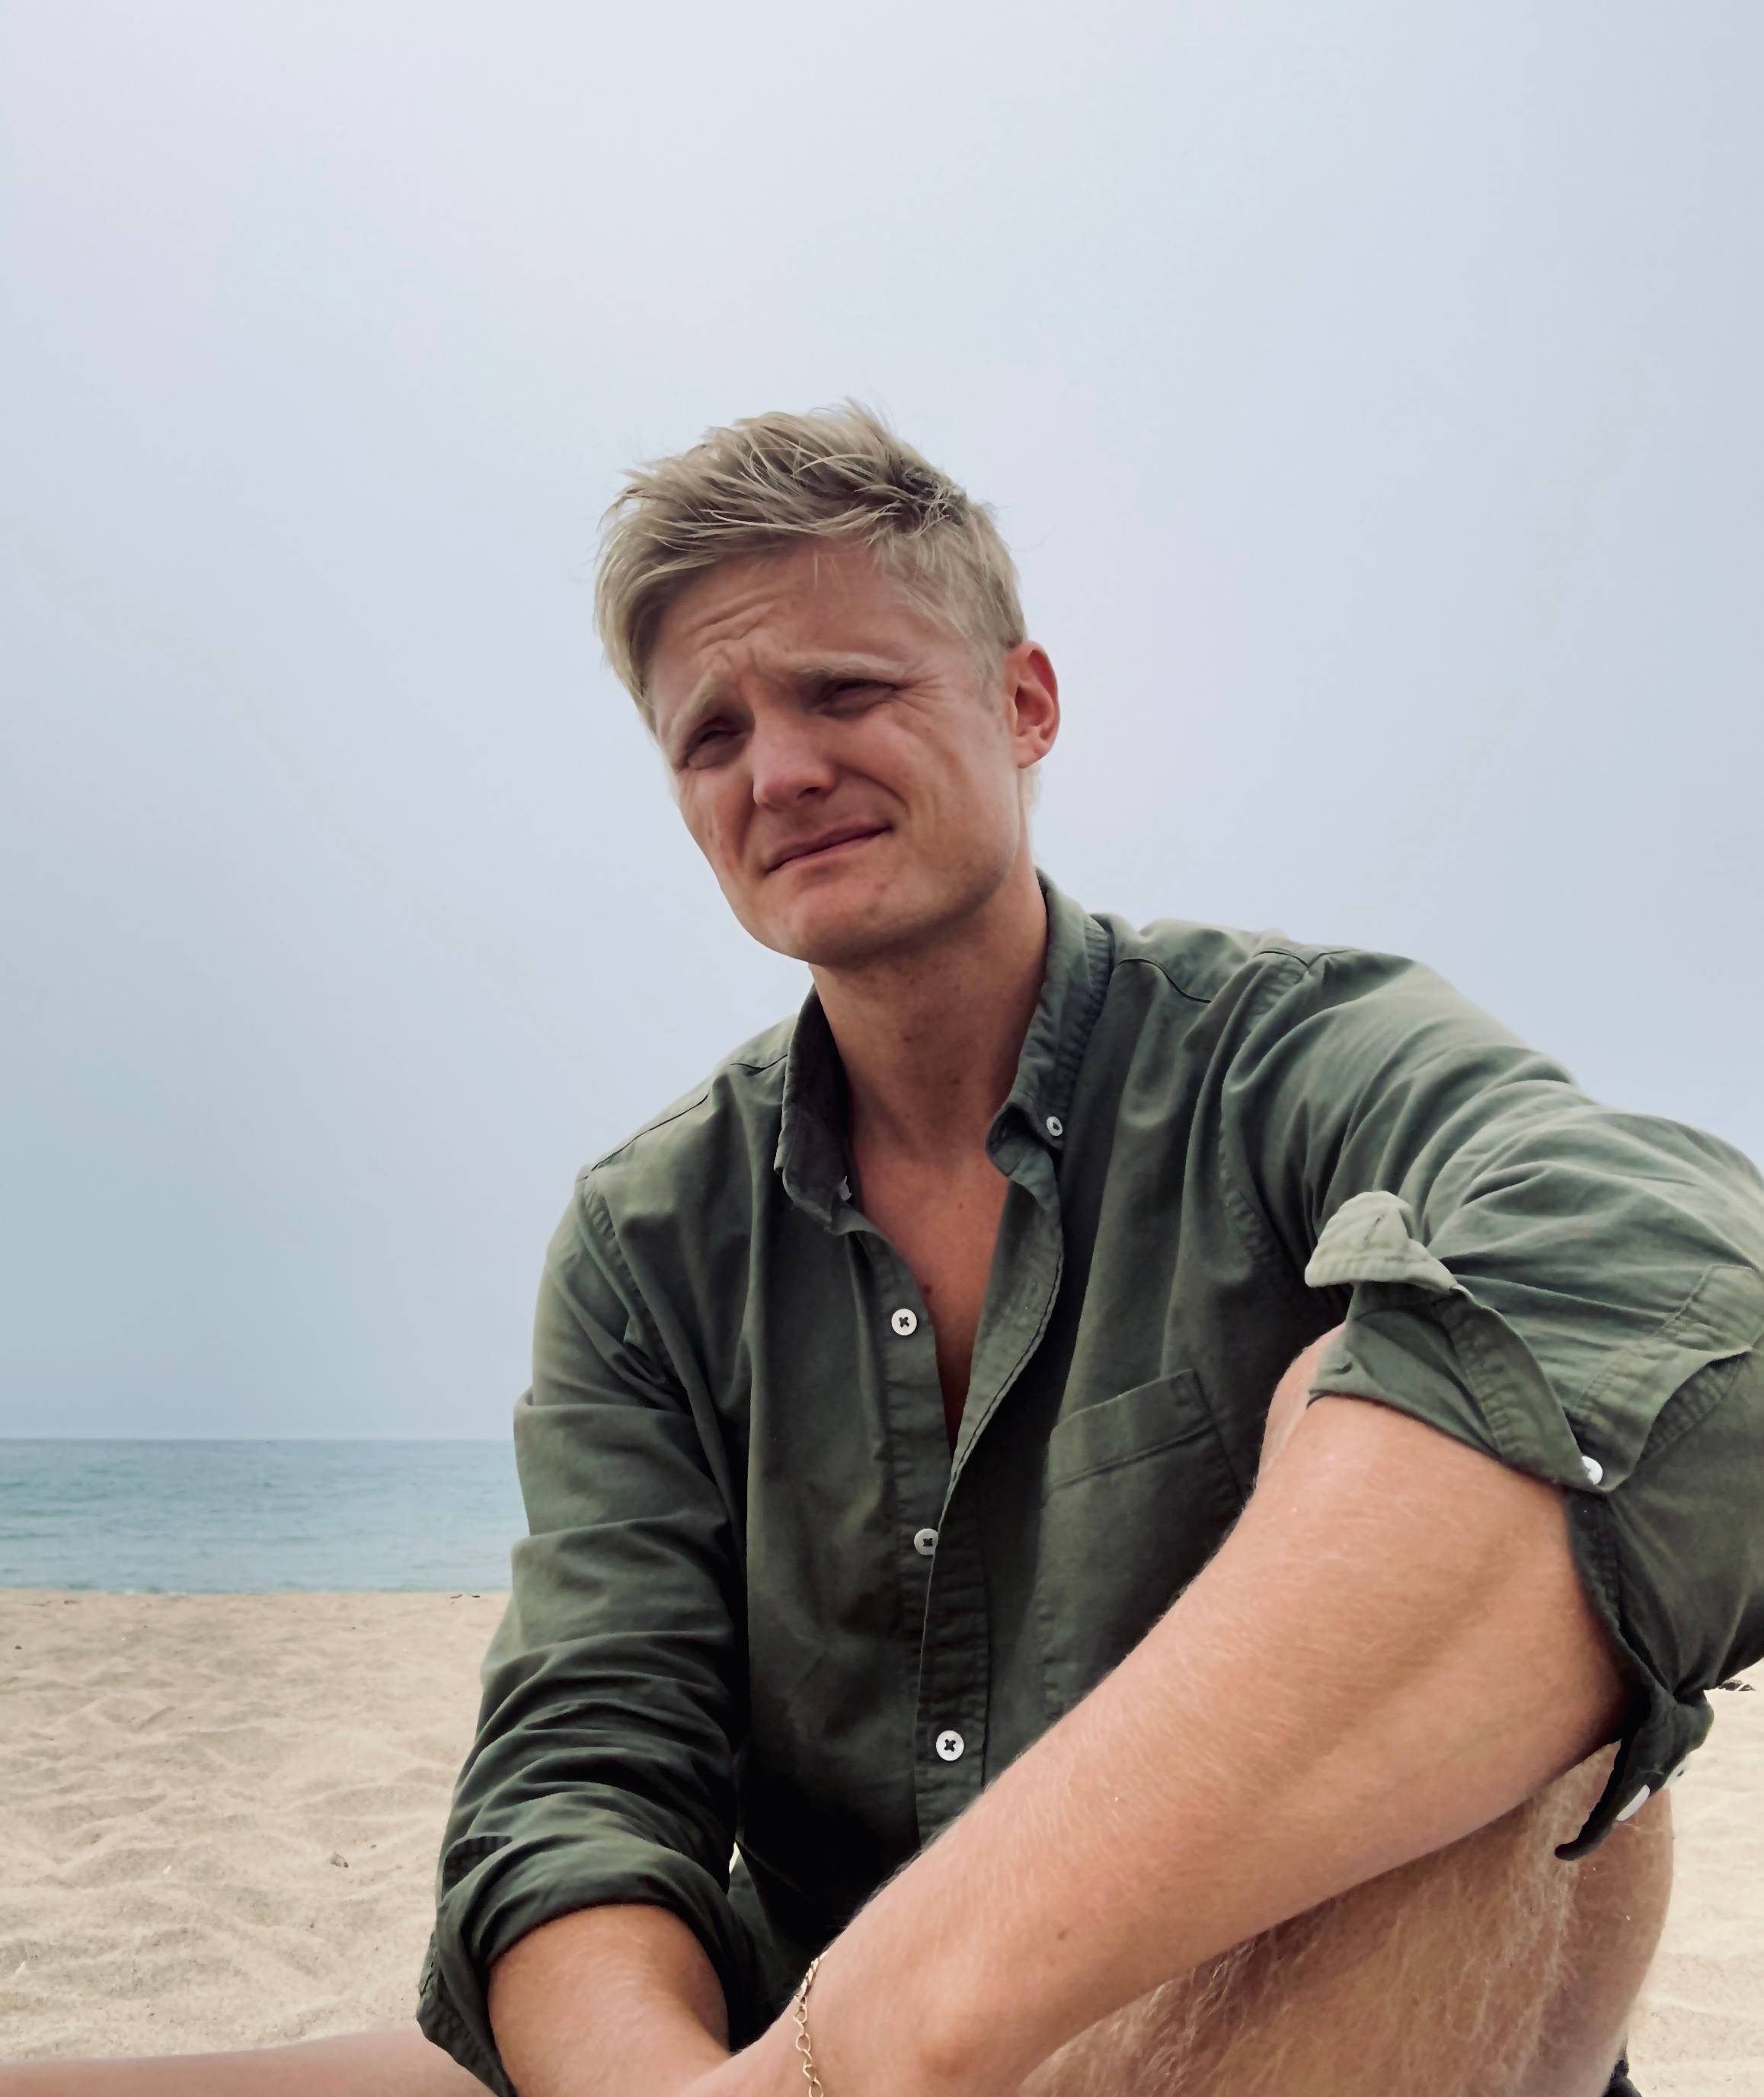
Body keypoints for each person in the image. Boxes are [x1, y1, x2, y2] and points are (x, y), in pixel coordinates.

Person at [12, 404, 1760, 2096]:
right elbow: (580, 1782)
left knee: (1484, 1514)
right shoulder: (648, 1242)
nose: (779, 767)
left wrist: (906, 2031)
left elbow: (1669, 1280)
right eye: (710, 736)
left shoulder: (1287, 1060)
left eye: (846, 688)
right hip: (778, 2050)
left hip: (1272, 2004)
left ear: (1026, 702)